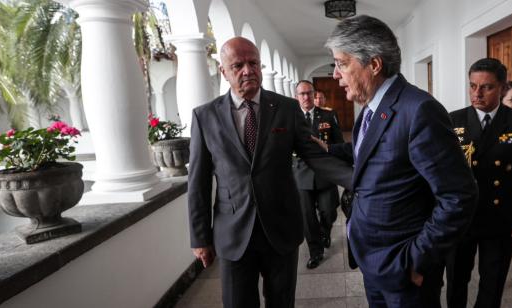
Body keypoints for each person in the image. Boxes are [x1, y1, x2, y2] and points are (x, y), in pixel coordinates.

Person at [321, 15, 478, 307]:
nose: (335, 75)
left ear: (374, 64)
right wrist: (327, 150)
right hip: (373, 261)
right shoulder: (369, 109)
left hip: (403, 269)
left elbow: (459, 196)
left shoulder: (419, 110)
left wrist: (416, 260)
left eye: (342, 64)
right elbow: (370, 155)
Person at [187, 36, 353, 308]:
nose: (247, 70)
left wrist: (359, 181)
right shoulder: (204, 116)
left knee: (282, 301)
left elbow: (313, 155)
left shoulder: (286, 108)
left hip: (280, 228)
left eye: (253, 63)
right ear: (224, 71)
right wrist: (200, 237)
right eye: (238, 65)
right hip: (233, 234)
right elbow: (198, 182)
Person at [446, 58, 512, 308]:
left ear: (502, 88)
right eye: (472, 86)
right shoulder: (452, 121)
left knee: (492, 284)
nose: (477, 94)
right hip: (461, 218)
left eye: (486, 87)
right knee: (456, 280)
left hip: (500, 217)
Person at [292, 80, 344, 269]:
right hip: (300, 175)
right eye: (302, 94)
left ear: (314, 94)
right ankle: (316, 252)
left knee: (329, 212)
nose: (306, 97)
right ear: (296, 97)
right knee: (307, 217)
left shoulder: (328, 116)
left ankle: (326, 230)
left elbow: (338, 144)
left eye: (309, 93)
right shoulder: (291, 118)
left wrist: (342, 172)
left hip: (325, 173)